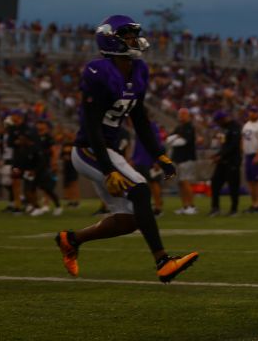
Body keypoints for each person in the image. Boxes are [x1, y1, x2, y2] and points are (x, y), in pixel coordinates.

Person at [54, 15, 199, 283]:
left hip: (108, 150)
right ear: (111, 38)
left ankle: (71, 239)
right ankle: (163, 262)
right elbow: (92, 126)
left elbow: (140, 118)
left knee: (127, 221)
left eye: (134, 35)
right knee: (142, 190)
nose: (133, 40)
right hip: (89, 150)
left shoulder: (139, 70)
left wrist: (160, 155)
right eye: (127, 35)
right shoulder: (99, 72)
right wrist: (108, 170)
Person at [209, 109, 242, 217]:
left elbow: (233, 145)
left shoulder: (235, 127)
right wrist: (217, 154)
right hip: (223, 161)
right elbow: (224, 145)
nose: (217, 123)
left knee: (233, 186)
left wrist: (220, 155)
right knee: (215, 183)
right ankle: (215, 208)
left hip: (232, 161)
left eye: (218, 121)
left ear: (222, 119)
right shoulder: (223, 129)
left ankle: (234, 209)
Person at [27, 119, 63, 216]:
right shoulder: (35, 136)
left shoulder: (48, 137)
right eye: (38, 123)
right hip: (35, 165)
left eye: (42, 123)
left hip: (45, 165)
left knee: (46, 188)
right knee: (32, 188)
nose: (39, 125)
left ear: (46, 126)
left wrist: (54, 163)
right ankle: (37, 207)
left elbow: (54, 151)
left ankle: (56, 206)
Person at [167, 108, 199, 214]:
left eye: (183, 114)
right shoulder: (179, 127)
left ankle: (191, 206)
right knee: (180, 183)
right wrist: (176, 137)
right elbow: (169, 140)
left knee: (185, 182)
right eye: (180, 114)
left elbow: (182, 142)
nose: (181, 116)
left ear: (187, 115)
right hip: (178, 158)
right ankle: (185, 206)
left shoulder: (189, 127)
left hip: (187, 158)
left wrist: (175, 138)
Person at [131, 119, 165, 216]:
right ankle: (145, 206)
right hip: (139, 160)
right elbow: (137, 145)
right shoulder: (138, 125)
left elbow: (158, 143)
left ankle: (158, 207)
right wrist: (133, 158)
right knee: (141, 184)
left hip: (150, 160)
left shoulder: (152, 126)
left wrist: (157, 160)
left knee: (154, 183)